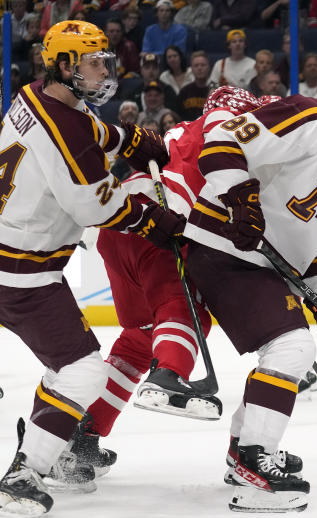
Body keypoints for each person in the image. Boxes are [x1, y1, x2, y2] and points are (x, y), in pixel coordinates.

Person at [179, 53, 317, 512]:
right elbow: (220, 142)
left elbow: (314, 253)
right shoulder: (309, 117)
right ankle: (254, 464)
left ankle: (245, 451)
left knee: (293, 347)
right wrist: (240, 199)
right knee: (293, 347)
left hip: (262, 263)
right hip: (223, 246)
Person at [0, 21, 182, 517]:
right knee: (82, 373)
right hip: (21, 274)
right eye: (92, 61)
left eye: (103, 58)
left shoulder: (38, 96)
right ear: (64, 66)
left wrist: (127, 138)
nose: (105, 68)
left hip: (14, 257)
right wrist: (152, 218)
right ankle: (24, 476)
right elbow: (96, 206)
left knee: (69, 367)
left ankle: (50, 439)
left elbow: (88, 129)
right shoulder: (64, 127)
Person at [85, 88, 272, 460]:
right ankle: (168, 377)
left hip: (122, 222)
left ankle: (81, 435)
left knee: (140, 338)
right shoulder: (234, 131)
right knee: (185, 312)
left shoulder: (183, 128)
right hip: (163, 225)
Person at [178, 51, 216, 119]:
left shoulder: (216, 92)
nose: (199, 68)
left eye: (203, 65)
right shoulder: (184, 92)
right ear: (191, 69)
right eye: (196, 65)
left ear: (209, 67)